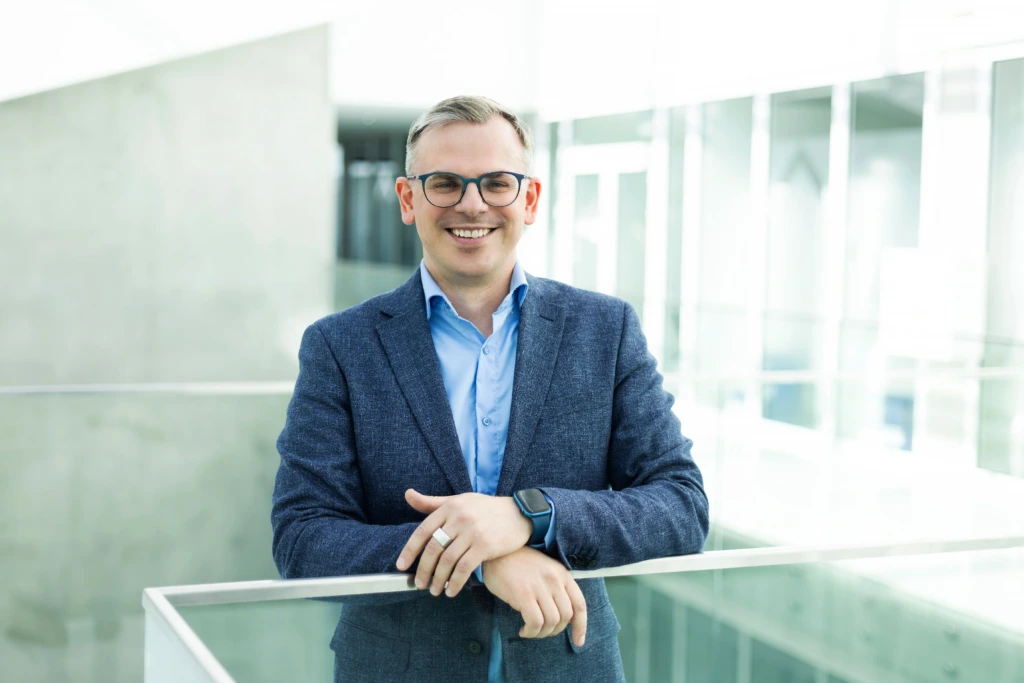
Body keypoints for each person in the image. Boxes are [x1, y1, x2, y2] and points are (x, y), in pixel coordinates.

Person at [271, 95, 709, 683]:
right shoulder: (340, 346)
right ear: (408, 199)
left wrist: (528, 518)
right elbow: (303, 541)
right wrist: (480, 558)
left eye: (497, 183)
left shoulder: (605, 331)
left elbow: (681, 506)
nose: (472, 204)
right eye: (444, 183)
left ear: (530, 199)